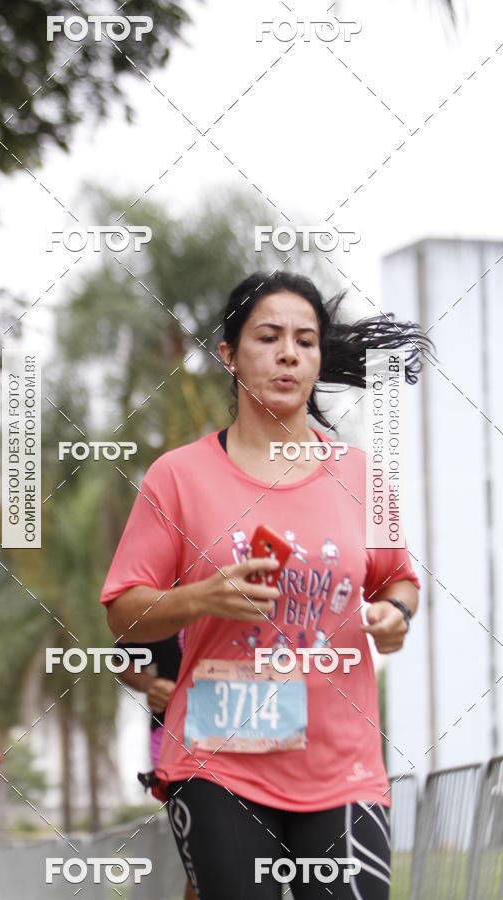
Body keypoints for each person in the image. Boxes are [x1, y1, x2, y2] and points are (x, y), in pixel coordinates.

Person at [100, 271, 434, 899]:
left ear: (317, 360)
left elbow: (397, 581)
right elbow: (124, 614)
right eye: (268, 337)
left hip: (344, 768)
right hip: (220, 759)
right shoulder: (179, 477)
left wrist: (396, 615)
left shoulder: (360, 475)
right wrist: (202, 597)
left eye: (306, 341)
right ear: (229, 355)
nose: (288, 353)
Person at [116, 632, 196, 900]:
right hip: (176, 739)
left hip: (256, 738)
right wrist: (151, 684)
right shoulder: (165, 599)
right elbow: (120, 659)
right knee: (203, 853)